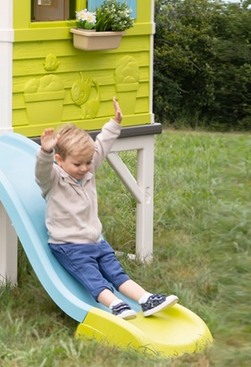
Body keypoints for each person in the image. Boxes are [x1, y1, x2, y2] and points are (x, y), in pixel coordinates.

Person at [35, 98, 179, 320]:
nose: (84, 168)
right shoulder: (53, 180)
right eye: (78, 164)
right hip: (69, 246)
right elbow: (41, 171)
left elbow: (102, 145)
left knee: (117, 273)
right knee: (93, 278)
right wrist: (44, 152)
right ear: (60, 160)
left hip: (96, 241)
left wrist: (115, 123)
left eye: (88, 162)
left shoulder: (88, 171)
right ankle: (116, 306)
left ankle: (145, 299)